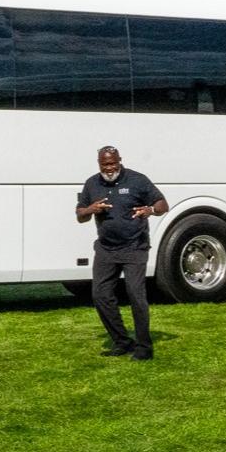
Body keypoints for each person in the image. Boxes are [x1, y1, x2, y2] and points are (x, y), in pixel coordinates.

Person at [75, 146, 167, 361]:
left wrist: (150, 210)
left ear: (119, 161)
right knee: (100, 295)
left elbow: (163, 204)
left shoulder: (137, 180)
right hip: (106, 249)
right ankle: (122, 341)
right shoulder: (91, 183)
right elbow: (80, 215)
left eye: (112, 163)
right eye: (104, 164)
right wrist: (90, 210)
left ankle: (144, 347)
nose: (109, 168)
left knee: (135, 295)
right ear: (99, 164)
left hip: (134, 247)